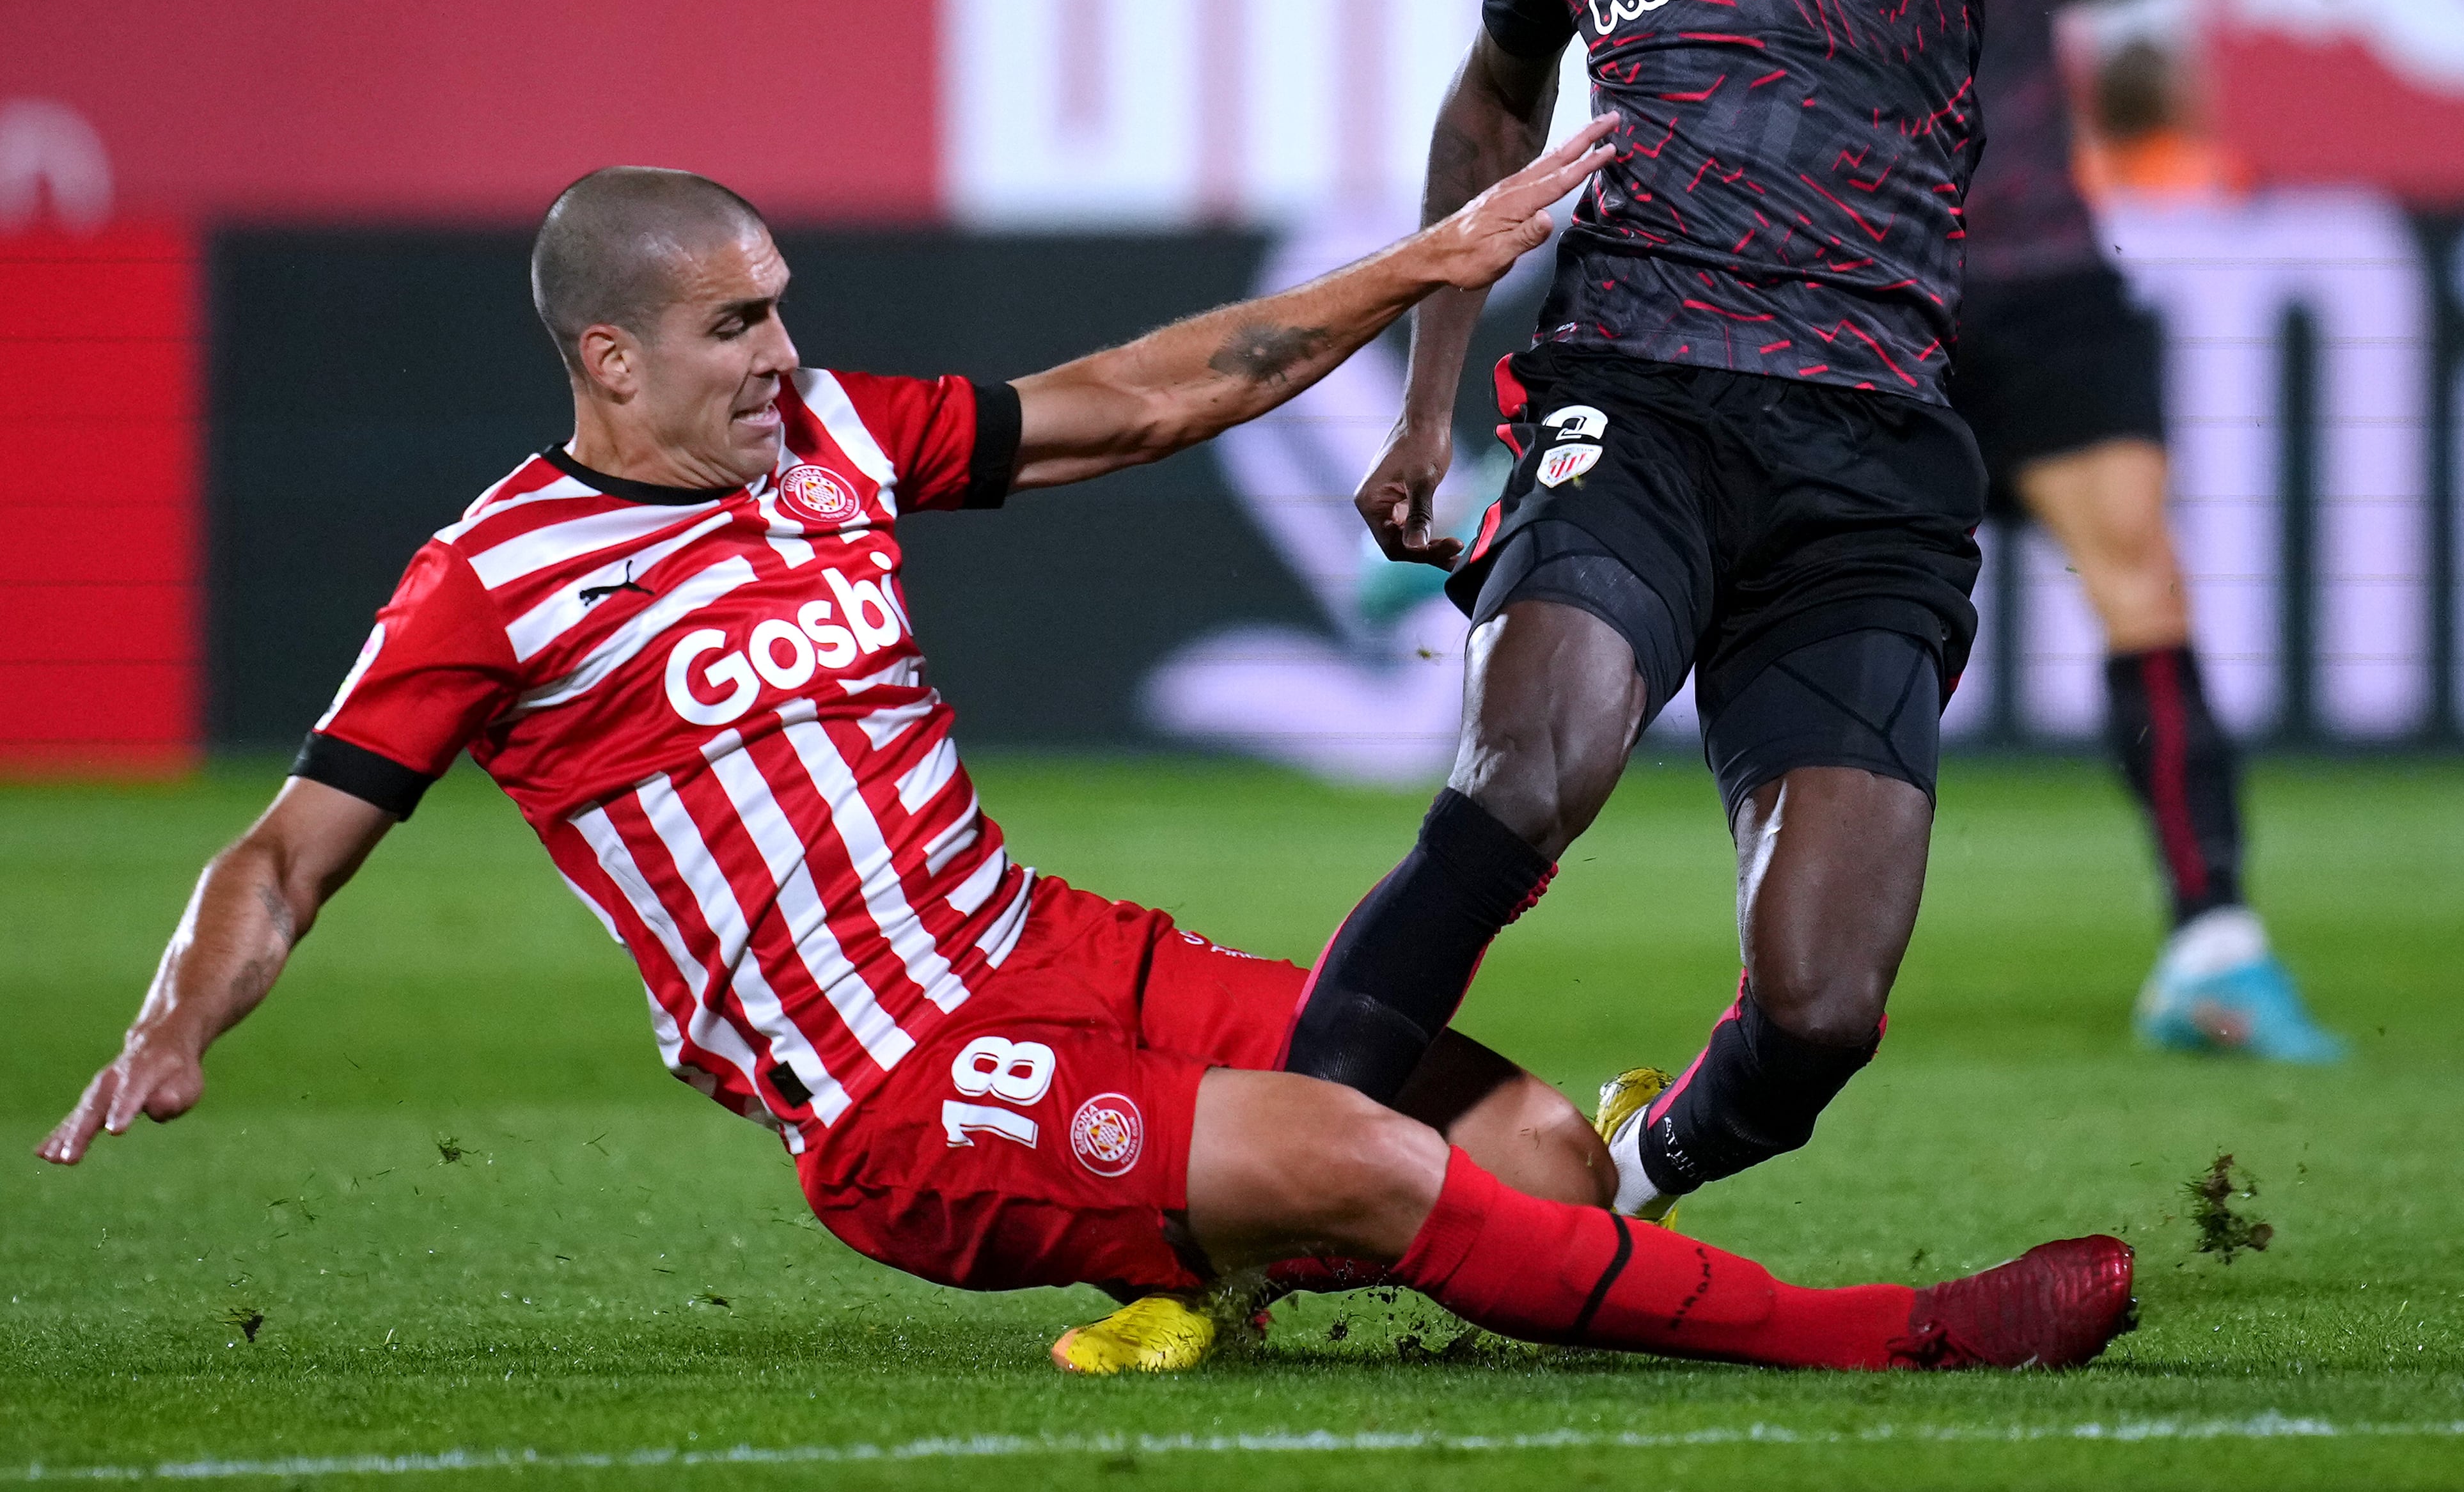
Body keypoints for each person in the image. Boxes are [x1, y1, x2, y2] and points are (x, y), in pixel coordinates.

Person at [36, 155, 2140, 1380]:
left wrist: (1420, 268)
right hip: (897, 1087)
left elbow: (1127, 401)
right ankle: (1889, 1335)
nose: (786, 352)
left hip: (1057, 955)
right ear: (612, 357)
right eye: (736, 327)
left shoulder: (841, 438)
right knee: (1368, 1166)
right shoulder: (495, 579)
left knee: (1544, 1163)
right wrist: (176, 1013)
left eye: (784, 308)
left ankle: (1170, 1244)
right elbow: (289, 850)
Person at [1291, 0, 2308, 1227]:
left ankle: (1621, 1172)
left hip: (1869, 455)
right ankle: (1251, 1184)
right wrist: (1428, 392)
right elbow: (1494, 93)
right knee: (1528, 769)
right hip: (1639, 389)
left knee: (1825, 1012)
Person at [1823, 0, 2341, 1062]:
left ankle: (2215, 941)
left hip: (2039, 268)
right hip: (1856, 298)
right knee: (1819, 643)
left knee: (2143, 572)